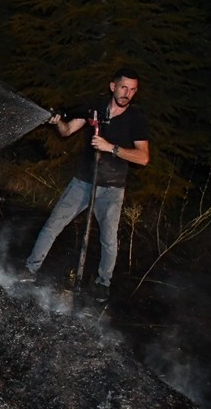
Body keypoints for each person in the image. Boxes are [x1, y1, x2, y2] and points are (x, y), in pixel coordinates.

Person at [24, 67, 150, 294]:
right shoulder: (96, 107)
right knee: (52, 226)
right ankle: (29, 270)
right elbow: (67, 130)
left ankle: (103, 284)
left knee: (108, 240)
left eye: (132, 90)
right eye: (123, 87)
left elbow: (143, 157)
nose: (127, 94)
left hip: (112, 188)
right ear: (113, 86)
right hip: (83, 181)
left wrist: (111, 148)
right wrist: (57, 121)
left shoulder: (136, 119)